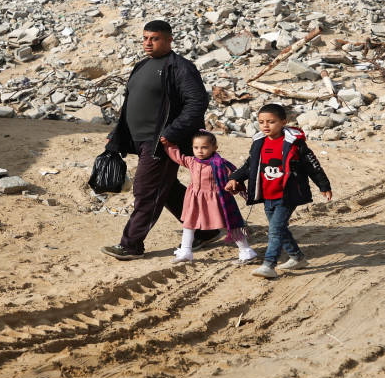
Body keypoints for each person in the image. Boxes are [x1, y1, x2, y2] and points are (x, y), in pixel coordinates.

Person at [100, 20, 221, 260]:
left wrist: (171, 133)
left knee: (146, 190)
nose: (148, 43)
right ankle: (204, 232)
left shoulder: (180, 68)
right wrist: (117, 134)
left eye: (154, 38)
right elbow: (131, 104)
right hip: (140, 140)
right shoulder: (143, 65)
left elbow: (197, 103)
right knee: (166, 188)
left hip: (161, 143)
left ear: (168, 40)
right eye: (145, 38)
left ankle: (131, 245)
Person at [225, 103, 332, 279]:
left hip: (287, 195)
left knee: (275, 230)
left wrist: (324, 186)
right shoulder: (259, 142)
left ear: (283, 122)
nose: (266, 125)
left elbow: (313, 166)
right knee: (279, 228)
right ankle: (297, 257)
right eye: (261, 122)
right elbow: (249, 165)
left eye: (271, 121)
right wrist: (235, 178)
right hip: (267, 195)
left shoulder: (295, 144)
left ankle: (269, 265)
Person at [160, 131, 258, 264]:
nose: (199, 151)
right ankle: (186, 252)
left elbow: (235, 177)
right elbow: (177, 156)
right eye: (196, 148)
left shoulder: (220, 164)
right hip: (194, 200)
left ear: (214, 148)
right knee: (189, 224)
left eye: (204, 147)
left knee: (228, 225)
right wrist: (169, 144)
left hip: (215, 200)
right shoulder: (192, 162)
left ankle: (246, 252)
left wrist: (233, 185)